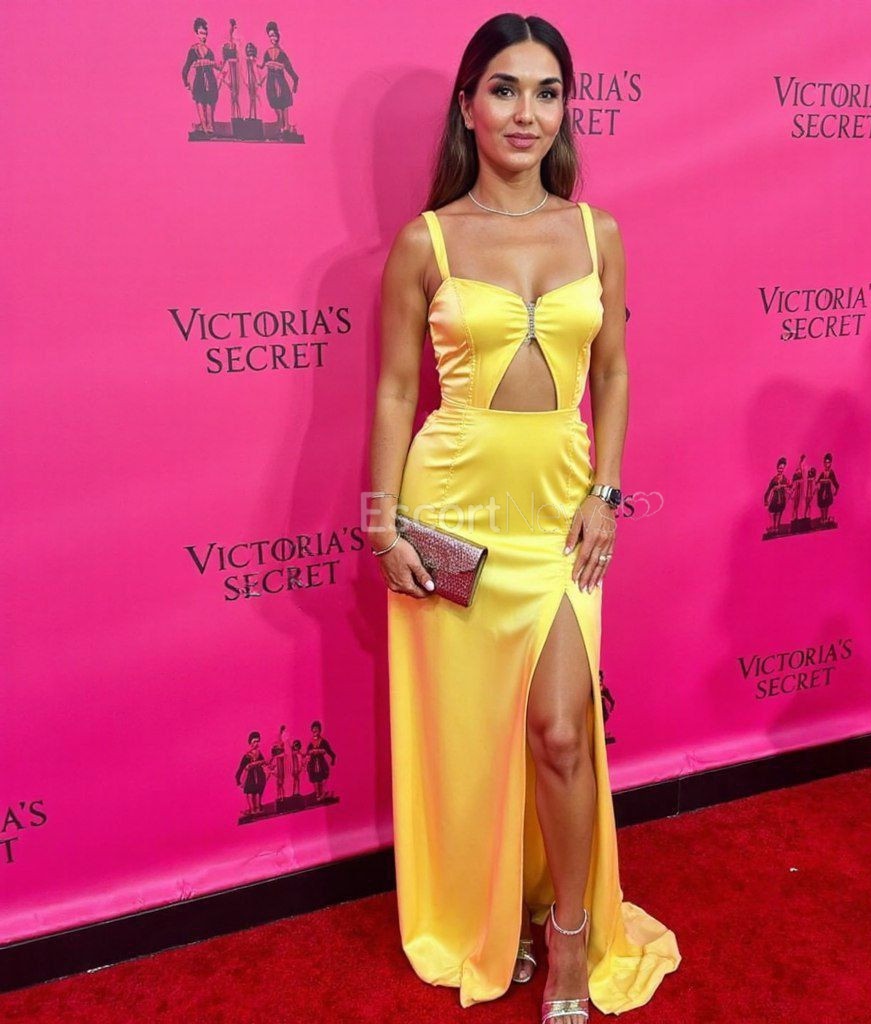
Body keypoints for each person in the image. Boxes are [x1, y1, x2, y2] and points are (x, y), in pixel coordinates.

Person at [366, 13, 680, 1022]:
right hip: (453, 511)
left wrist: (608, 493)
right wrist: (381, 523)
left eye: (547, 92)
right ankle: (491, 911)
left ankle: (571, 938)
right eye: (504, 89)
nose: (525, 112)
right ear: (467, 105)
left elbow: (615, 372)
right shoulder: (425, 242)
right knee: (470, 737)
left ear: (565, 109)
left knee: (559, 731)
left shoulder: (598, 233)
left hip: (555, 515)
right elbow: (394, 391)